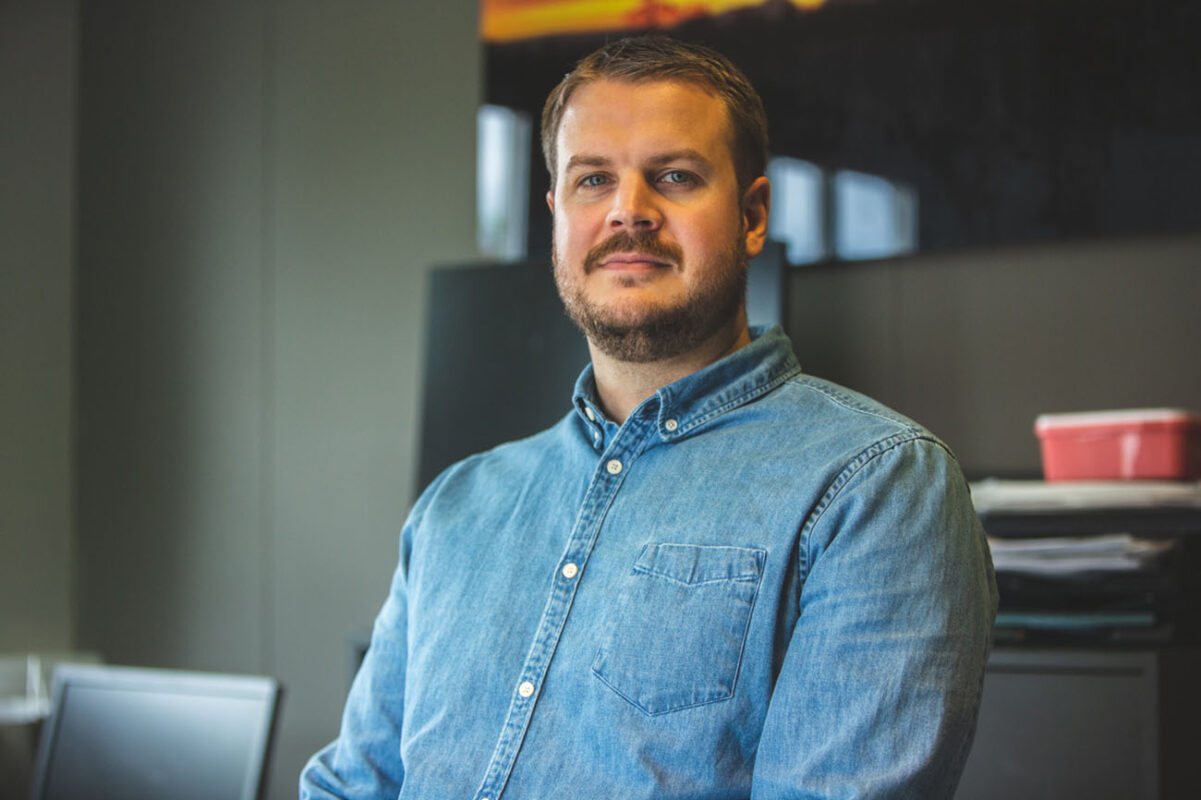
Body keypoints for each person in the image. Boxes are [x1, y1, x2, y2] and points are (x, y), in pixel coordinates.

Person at [301, 35, 996, 800]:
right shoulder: (455, 508)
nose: (628, 212)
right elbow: (350, 785)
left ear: (752, 215)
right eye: (592, 179)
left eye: (673, 176)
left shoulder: (878, 488)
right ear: (557, 216)